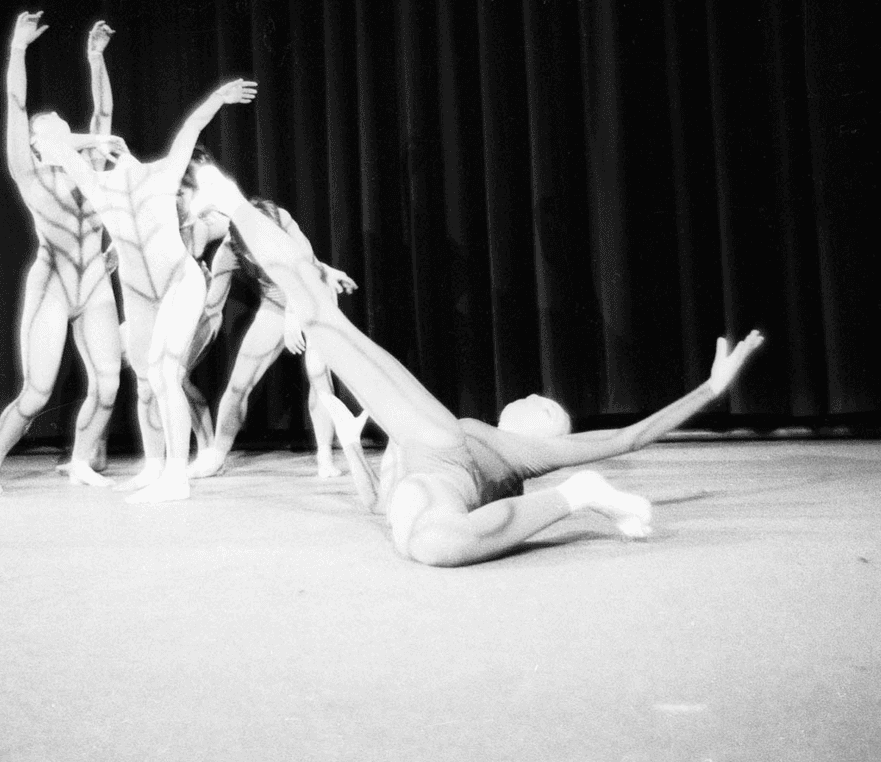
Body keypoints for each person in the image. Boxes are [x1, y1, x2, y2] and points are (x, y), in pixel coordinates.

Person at [187, 162, 766, 567]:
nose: (531, 400)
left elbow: (628, 437)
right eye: (539, 401)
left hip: (431, 452)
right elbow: (629, 438)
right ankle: (578, 497)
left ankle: (579, 497)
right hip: (430, 445)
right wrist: (709, 391)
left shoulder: (522, 453)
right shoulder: (517, 451)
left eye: (540, 408)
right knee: (321, 319)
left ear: (537, 426)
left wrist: (710, 392)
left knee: (320, 318)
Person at [30, 24, 256, 504]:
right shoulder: (95, 185)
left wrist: (219, 96)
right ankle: (155, 467)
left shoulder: (158, 174)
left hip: (179, 281)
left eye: (112, 147)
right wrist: (94, 82)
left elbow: (192, 127)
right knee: (147, 381)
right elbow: (55, 145)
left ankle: (177, 476)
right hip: (139, 292)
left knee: (165, 371)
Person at [0, 14, 127, 495]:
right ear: (40, 146)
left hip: (95, 284)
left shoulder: (90, 170)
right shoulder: (33, 177)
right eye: (51, 130)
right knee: (37, 392)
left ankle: (81, 461)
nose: (62, 129)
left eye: (63, 124)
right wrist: (18, 50)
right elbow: (16, 105)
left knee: (108, 385)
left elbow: (103, 116)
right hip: (55, 284)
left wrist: (95, 58)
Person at [186, 197, 360, 480]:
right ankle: (217, 455)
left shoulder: (284, 220)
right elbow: (212, 308)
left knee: (317, 372)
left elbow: (306, 268)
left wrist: (295, 313)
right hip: (276, 301)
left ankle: (325, 456)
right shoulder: (230, 249)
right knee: (239, 382)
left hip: (313, 291)